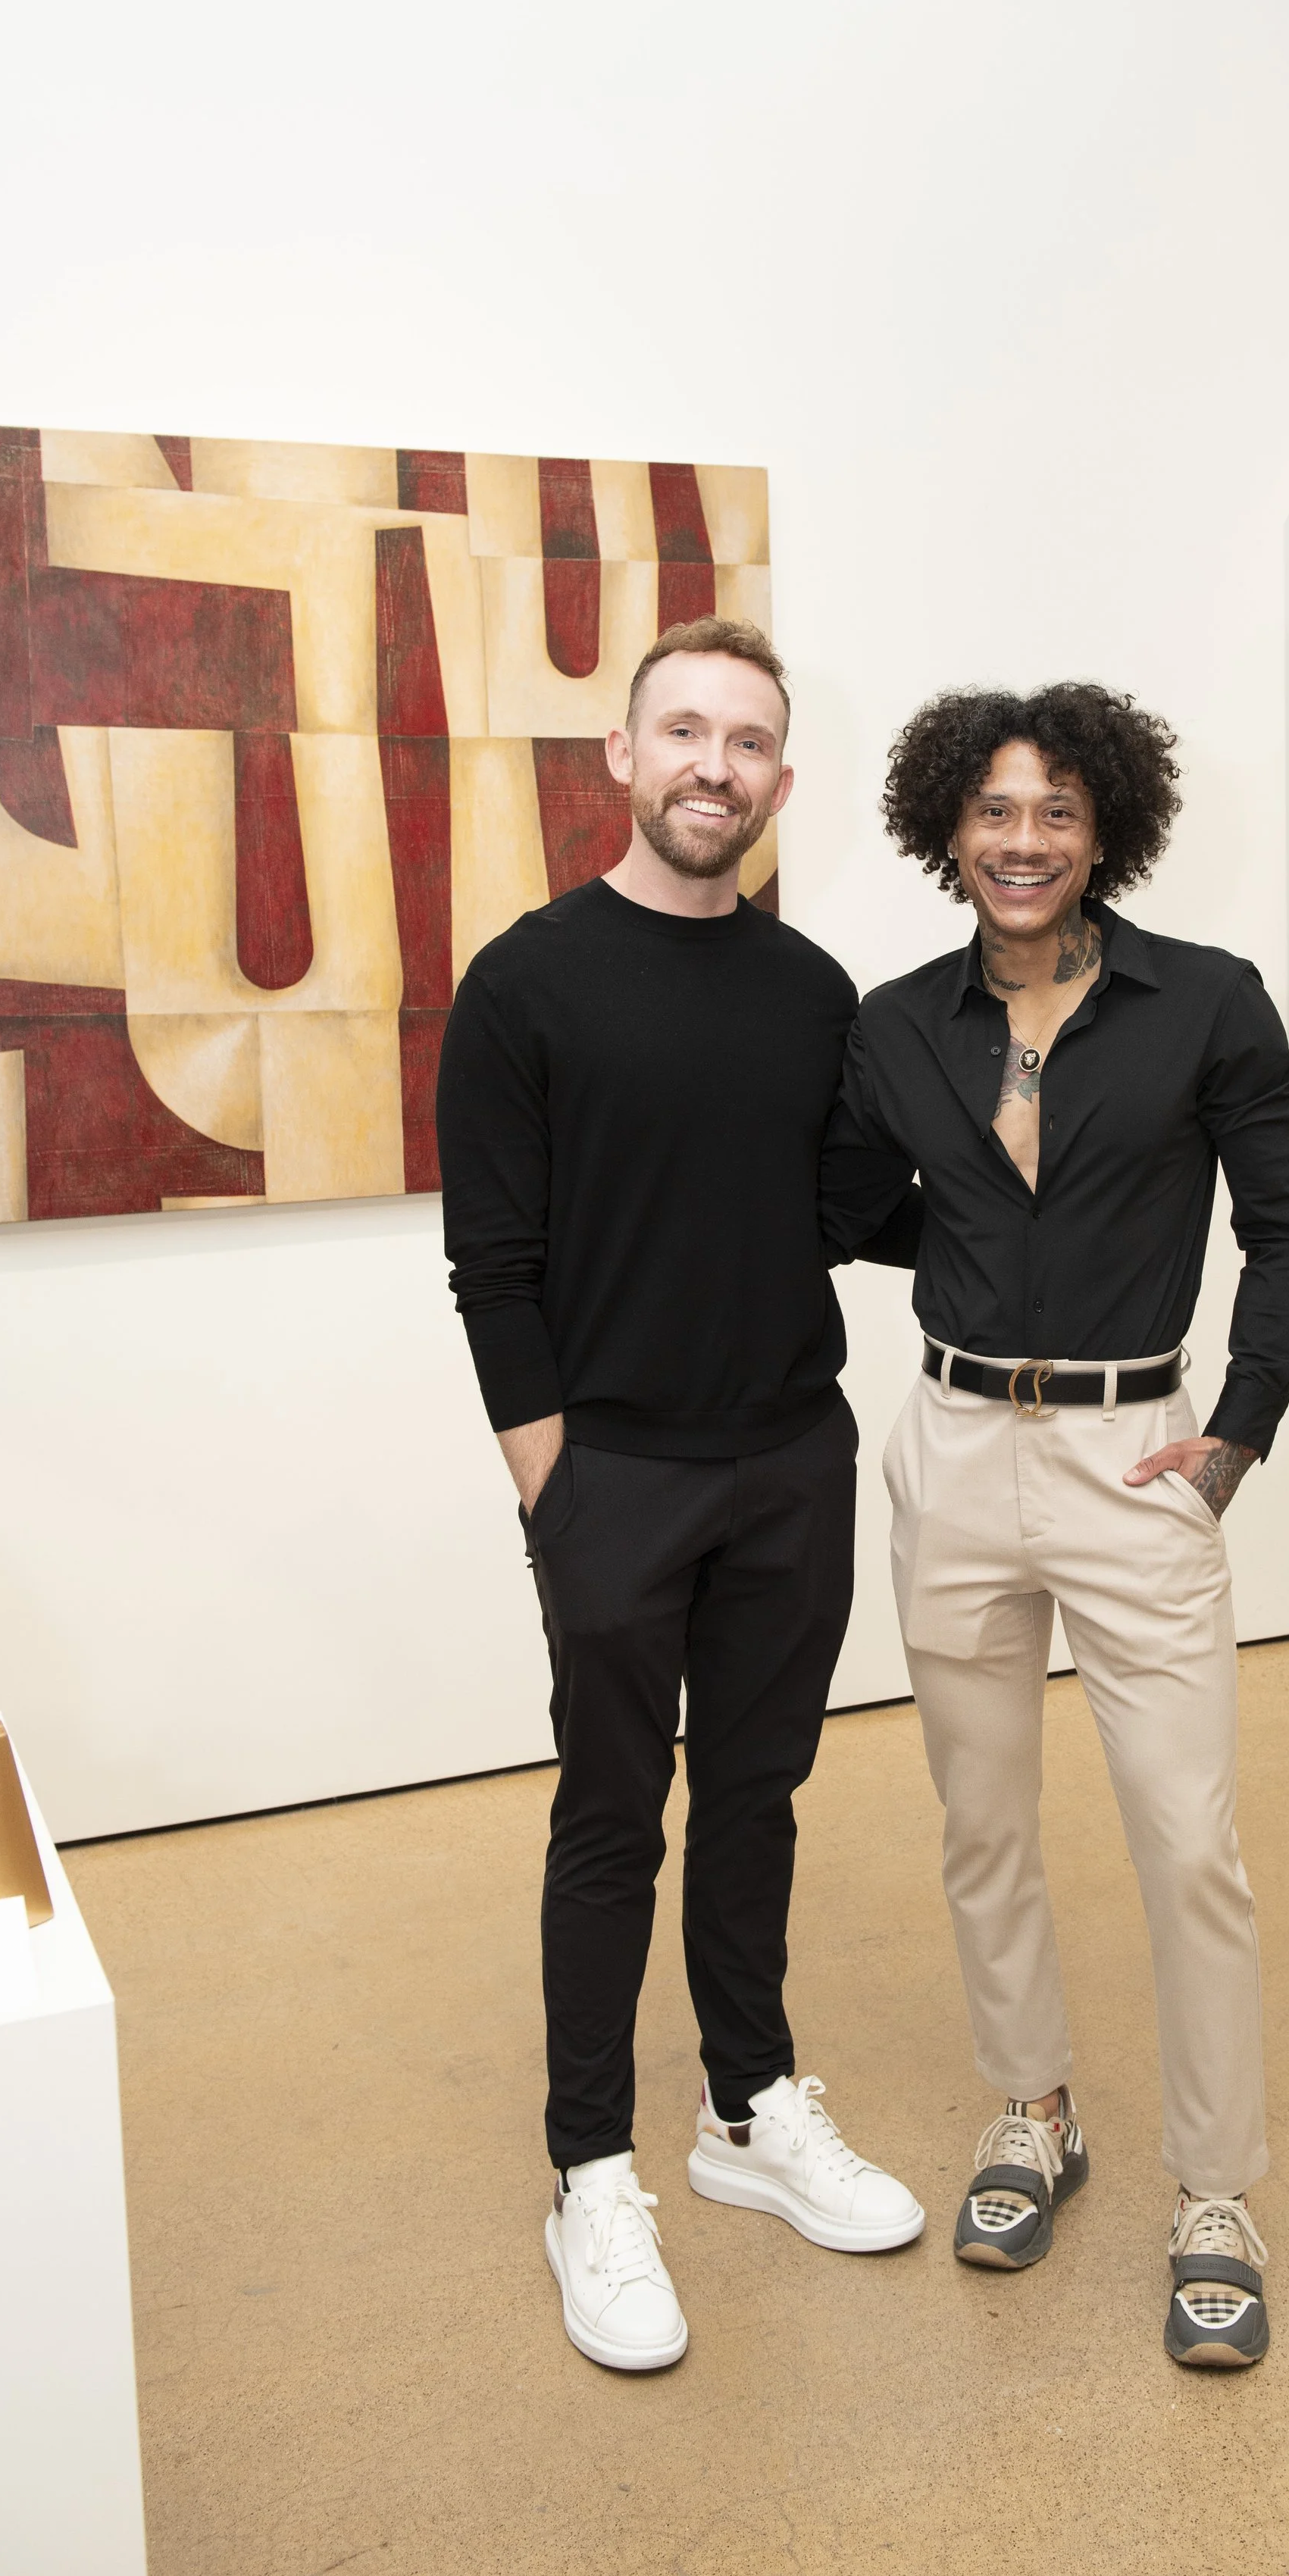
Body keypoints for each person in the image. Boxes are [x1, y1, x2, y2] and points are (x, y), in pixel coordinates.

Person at [821, 683, 1289, 2368]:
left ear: (1103, 826)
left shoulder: (1206, 1004)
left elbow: (1285, 1230)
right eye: (992, 813)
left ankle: (1214, 2191)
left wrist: (1234, 1434)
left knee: (1186, 1839)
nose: (1020, 842)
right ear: (942, 830)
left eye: (1052, 812)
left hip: (1135, 1457)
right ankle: (1031, 2111)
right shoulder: (895, 1023)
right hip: (955, 1450)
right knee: (980, 1822)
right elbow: (847, 1201)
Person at [436, 615, 923, 2376]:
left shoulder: (808, 995)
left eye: (747, 743)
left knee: (762, 1798)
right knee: (608, 1820)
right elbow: (493, 1271)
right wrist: (557, 1493)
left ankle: (746, 2109)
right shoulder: (527, 983)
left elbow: (864, 1214)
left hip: (793, 1458)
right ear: (624, 761)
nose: (714, 766)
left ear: (780, 784)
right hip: (617, 1478)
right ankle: (588, 2169)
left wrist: (1060, 1183)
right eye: (685, 732)